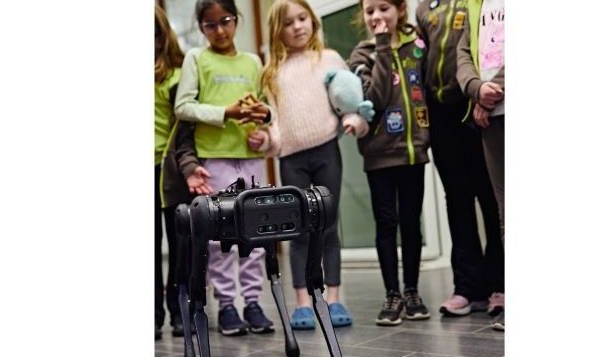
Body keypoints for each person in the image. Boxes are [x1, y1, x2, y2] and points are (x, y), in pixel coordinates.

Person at [258, 0, 366, 330]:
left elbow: (347, 99)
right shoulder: (271, 73)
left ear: (312, 20)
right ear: (278, 30)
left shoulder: (329, 59)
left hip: (326, 151)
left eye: (303, 18)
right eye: (289, 23)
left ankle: (334, 298)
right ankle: (303, 302)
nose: (298, 27)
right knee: (299, 229)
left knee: (328, 224)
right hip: (291, 159)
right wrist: (266, 142)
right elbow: (273, 123)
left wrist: (353, 119)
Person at [174, 0, 276, 336]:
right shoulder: (196, 58)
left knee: (256, 232)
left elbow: (266, 107)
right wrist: (226, 113)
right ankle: (228, 304)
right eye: (210, 25)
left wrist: (264, 120)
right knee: (219, 238)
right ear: (202, 27)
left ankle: (253, 301)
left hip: (251, 160)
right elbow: (184, 107)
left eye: (226, 21)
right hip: (213, 158)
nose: (220, 30)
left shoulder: (252, 61)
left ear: (237, 20)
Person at [415, 0, 504, 320]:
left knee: (490, 196)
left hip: (475, 105)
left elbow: (481, 47)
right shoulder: (424, 7)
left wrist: (480, 93)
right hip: (441, 114)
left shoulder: (475, 2)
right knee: (457, 197)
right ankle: (468, 288)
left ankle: (500, 284)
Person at [349, 0, 432, 326]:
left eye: (383, 8)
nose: (376, 17)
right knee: (387, 223)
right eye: (369, 11)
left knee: (411, 222)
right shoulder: (362, 54)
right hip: (380, 154)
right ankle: (392, 293)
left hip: (413, 150)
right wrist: (383, 46)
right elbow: (376, 97)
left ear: (400, 9)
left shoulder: (417, 46)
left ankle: (411, 290)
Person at [455, 0, 505, 331]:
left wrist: (495, 90)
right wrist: (477, 90)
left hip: (498, 101)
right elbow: (463, 54)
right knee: (505, 213)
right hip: (492, 117)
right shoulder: (473, 3)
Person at [154, 4, 185, 341]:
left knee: (179, 243)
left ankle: (180, 312)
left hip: (170, 168)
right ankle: (152, 316)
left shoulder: (176, 74)